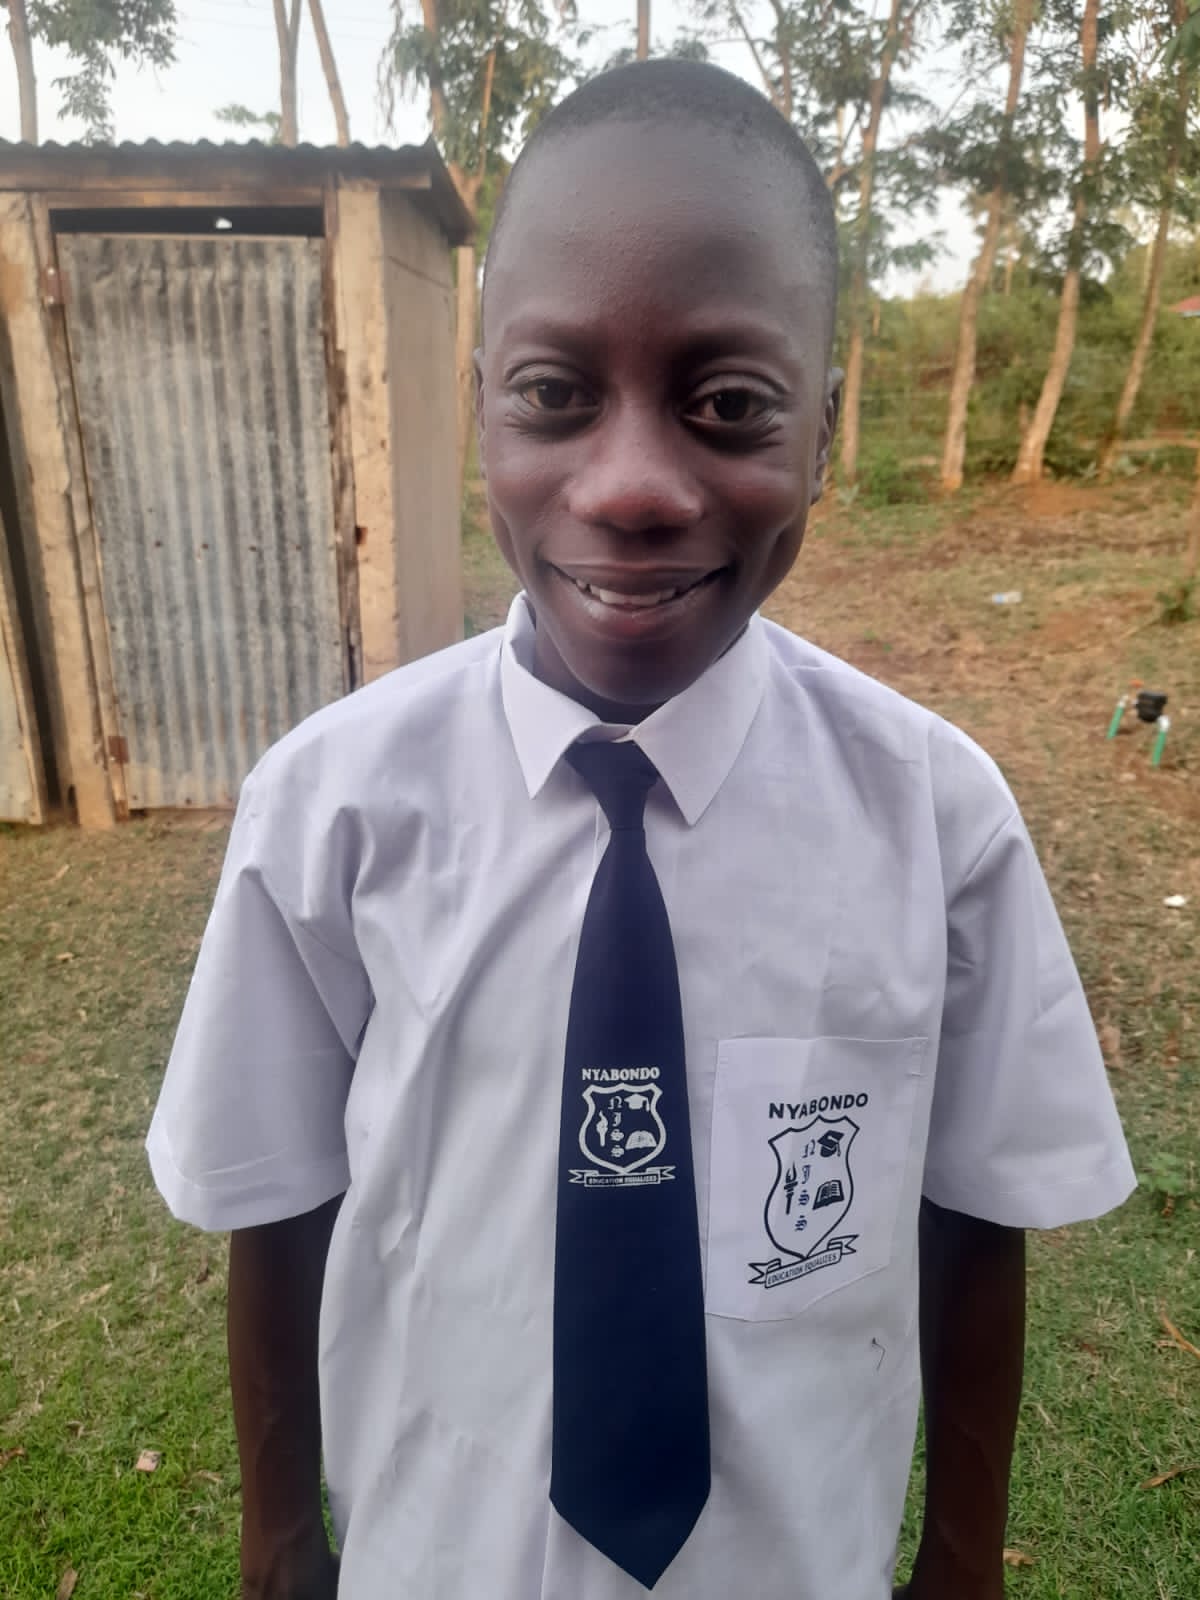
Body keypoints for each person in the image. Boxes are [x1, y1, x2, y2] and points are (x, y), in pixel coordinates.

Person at [147, 59, 1135, 1600]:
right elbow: (275, 1206)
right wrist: (282, 1547)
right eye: (555, 395)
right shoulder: (333, 810)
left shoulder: (936, 818)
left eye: (728, 404)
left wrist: (960, 1561)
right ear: (481, 402)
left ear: (821, 420)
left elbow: (973, 1208)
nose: (629, 489)